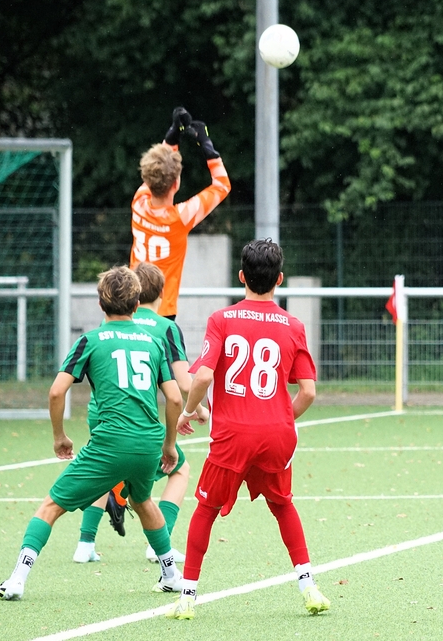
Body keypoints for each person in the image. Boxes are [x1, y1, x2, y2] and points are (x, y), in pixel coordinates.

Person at [0, 266, 184, 601]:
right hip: (147, 443)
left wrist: (59, 437)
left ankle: (17, 579)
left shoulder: (91, 340)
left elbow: (56, 392)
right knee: (142, 500)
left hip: (110, 443)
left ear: (100, 304)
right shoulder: (155, 342)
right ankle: (171, 574)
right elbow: (175, 399)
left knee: (51, 506)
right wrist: (168, 444)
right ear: (137, 303)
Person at [164, 239, 330, 620]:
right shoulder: (293, 325)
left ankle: (187, 596)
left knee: (206, 508)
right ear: (280, 279)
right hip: (276, 436)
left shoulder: (222, 320)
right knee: (282, 505)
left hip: (233, 436)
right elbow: (308, 392)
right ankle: (309, 586)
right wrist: (279, 418)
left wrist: (188, 412)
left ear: (241, 276)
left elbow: (202, 376)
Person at [72, 263, 192, 567]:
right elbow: (182, 384)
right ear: (162, 293)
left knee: (103, 470)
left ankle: (85, 543)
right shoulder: (165, 328)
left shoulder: (109, 324)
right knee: (180, 469)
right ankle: (159, 544)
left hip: (100, 412)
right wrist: (197, 409)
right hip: (138, 420)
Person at [130, 107, 231, 320]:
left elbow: (157, 170)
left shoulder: (139, 203)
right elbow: (222, 185)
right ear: (176, 184)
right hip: (163, 311)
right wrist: (206, 144)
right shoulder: (180, 217)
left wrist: (172, 134)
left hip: (131, 305)